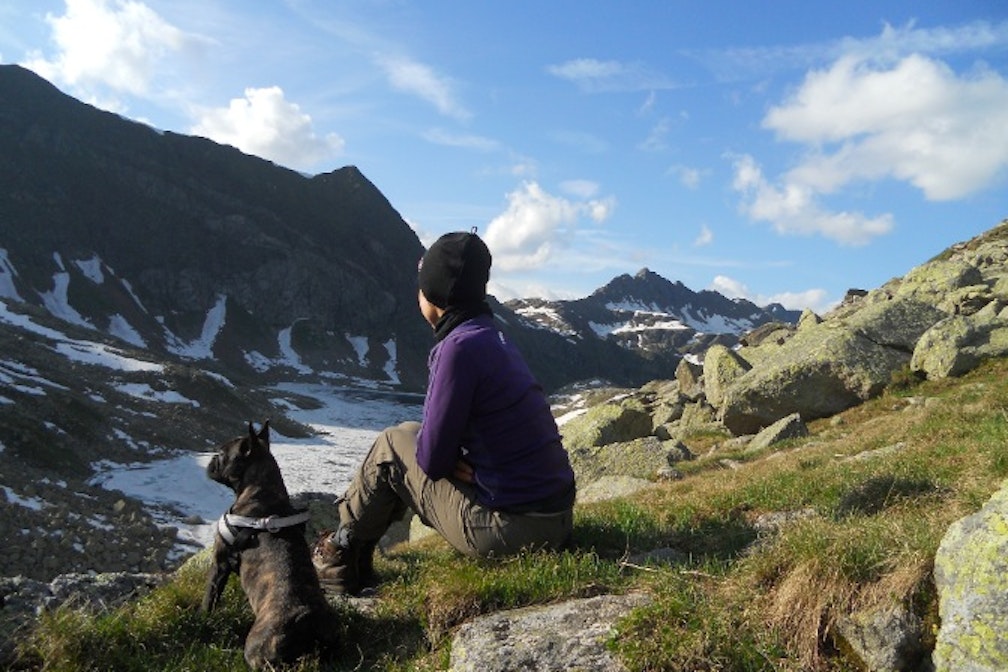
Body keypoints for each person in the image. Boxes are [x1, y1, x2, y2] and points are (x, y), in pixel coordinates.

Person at [312, 229, 576, 595]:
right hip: (557, 521)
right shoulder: (491, 335)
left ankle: (339, 556)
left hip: (512, 533)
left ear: (433, 294)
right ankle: (356, 556)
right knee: (409, 431)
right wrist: (453, 456)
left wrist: (445, 457)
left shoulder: (457, 348)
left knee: (391, 446)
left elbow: (432, 462)